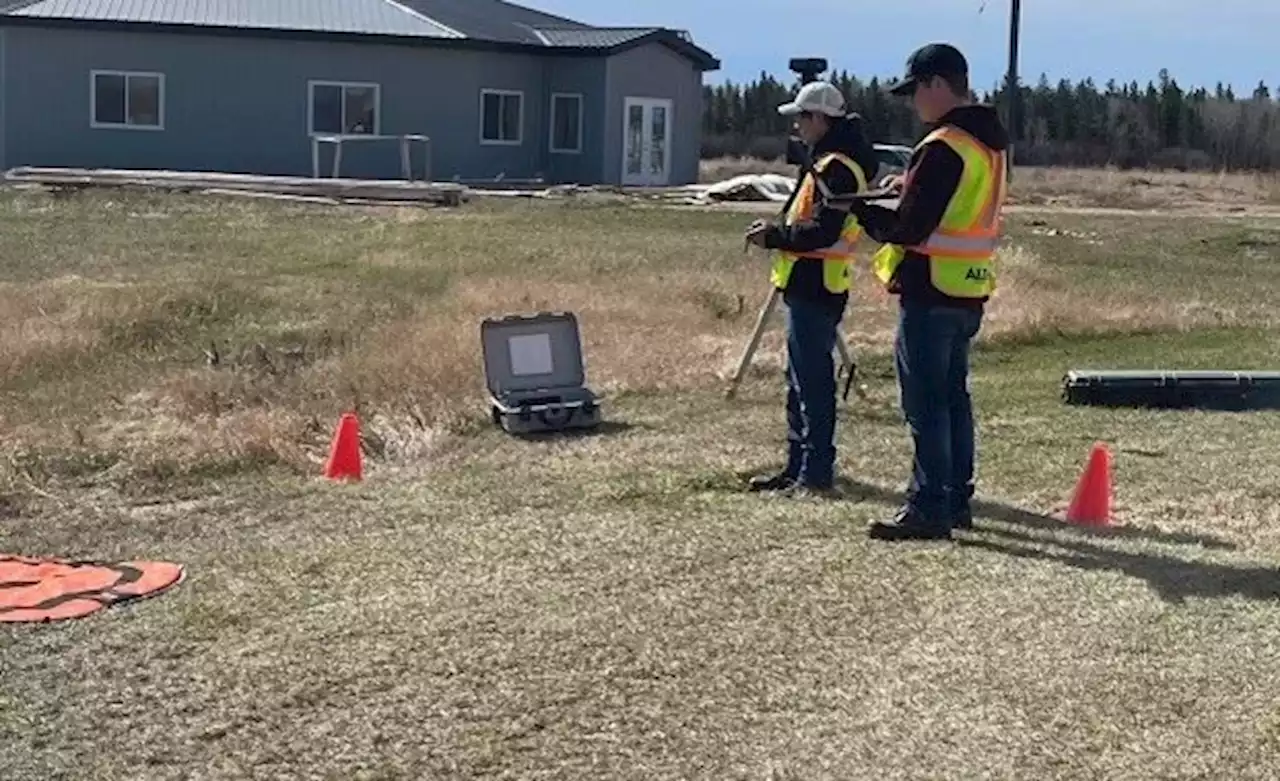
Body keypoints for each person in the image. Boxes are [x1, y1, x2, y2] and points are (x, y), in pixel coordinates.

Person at [842, 43, 1010, 540]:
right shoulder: (988, 143)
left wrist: (862, 211)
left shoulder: (943, 145)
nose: (912, 101)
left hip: (931, 289)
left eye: (915, 89)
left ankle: (929, 506)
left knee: (926, 405)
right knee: (953, 399)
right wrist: (907, 188)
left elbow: (912, 229)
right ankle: (956, 499)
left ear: (937, 84)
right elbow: (954, 206)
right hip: (968, 289)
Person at [743, 81, 879, 494]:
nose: (797, 127)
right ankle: (797, 466)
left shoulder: (837, 168)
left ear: (820, 119)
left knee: (812, 384)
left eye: (802, 118)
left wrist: (776, 237)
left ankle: (815, 473)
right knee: (799, 379)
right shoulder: (829, 163)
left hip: (816, 286)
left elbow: (822, 231)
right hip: (809, 283)